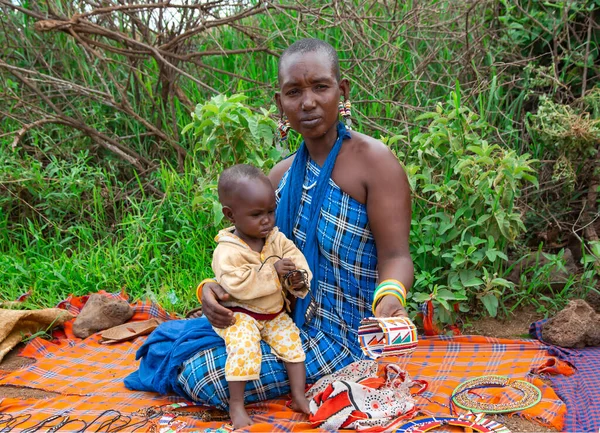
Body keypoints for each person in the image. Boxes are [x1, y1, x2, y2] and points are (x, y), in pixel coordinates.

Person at [178, 38, 413, 414]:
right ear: (280, 103)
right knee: (184, 344)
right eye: (294, 91)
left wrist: (390, 300)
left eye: (321, 86)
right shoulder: (281, 176)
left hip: (347, 338)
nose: (307, 102)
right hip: (283, 321)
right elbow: (254, 253)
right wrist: (210, 289)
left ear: (343, 90)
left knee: (204, 377)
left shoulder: (375, 163)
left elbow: (397, 255)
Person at [211, 164, 312, 428]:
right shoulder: (227, 251)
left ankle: (299, 396)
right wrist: (272, 272)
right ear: (230, 215)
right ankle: (236, 405)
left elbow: (297, 261)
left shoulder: (277, 240)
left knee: (293, 344)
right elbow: (237, 284)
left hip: (273, 313)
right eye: (256, 214)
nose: (266, 220)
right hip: (240, 314)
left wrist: (297, 278)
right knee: (244, 348)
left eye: (270, 211)